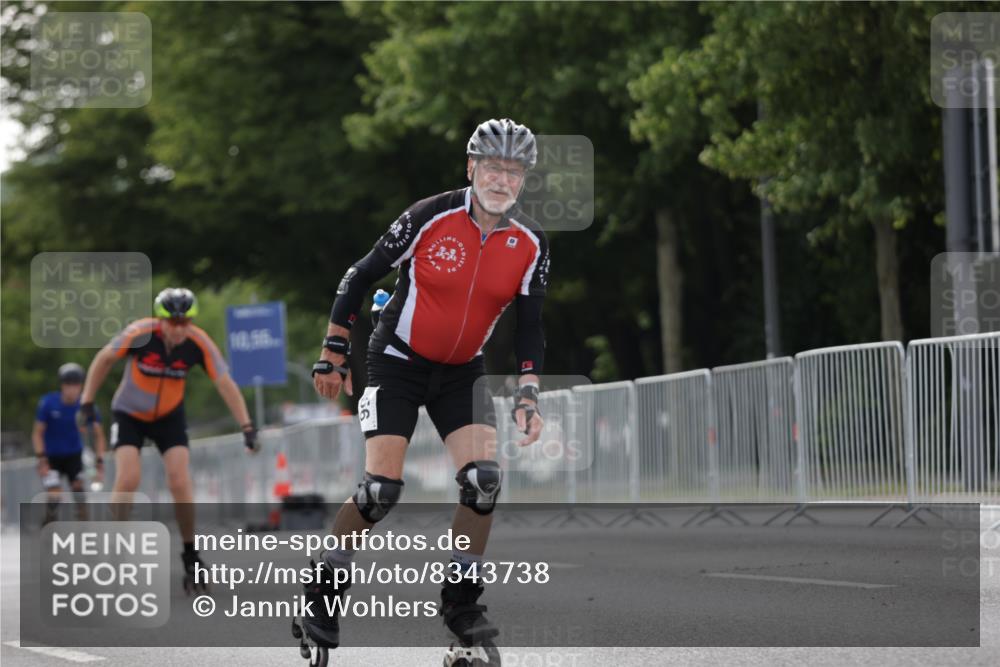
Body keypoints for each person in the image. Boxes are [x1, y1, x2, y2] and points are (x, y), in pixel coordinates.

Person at [300, 118, 549, 655]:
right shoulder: (429, 216)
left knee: (483, 481)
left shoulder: (530, 243)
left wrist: (529, 390)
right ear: (471, 167)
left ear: (524, 179)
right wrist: (333, 351)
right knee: (380, 491)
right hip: (397, 362)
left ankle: (461, 601)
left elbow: (530, 325)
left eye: (514, 171)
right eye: (492, 167)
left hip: (462, 371)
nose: (502, 180)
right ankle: (324, 581)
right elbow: (359, 276)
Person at [79, 287, 260, 591]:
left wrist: (247, 426)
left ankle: (190, 553)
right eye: (173, 322)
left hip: (169, 417)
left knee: (179, 480)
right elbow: (104, 359)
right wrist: (87, 400)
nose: (178, 329)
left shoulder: (198, 342)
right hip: (129, 413)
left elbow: (225, 383)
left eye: (184, 322)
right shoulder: (140, 333)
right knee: (128, 477)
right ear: (160, 320)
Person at [33, 362, 107, 524]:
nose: (72, 389)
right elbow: (38, 433)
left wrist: (99, 461)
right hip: (51, 457)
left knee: (79, 490)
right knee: (54, 495)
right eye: (68, 385)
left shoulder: (86, 407)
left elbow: (99, 435)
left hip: (74, 455)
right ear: (62, 385)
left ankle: (84, 528)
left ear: (81, 386)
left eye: (76, 385)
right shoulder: (48, 403)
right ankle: (48, 525)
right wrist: (41, 458)